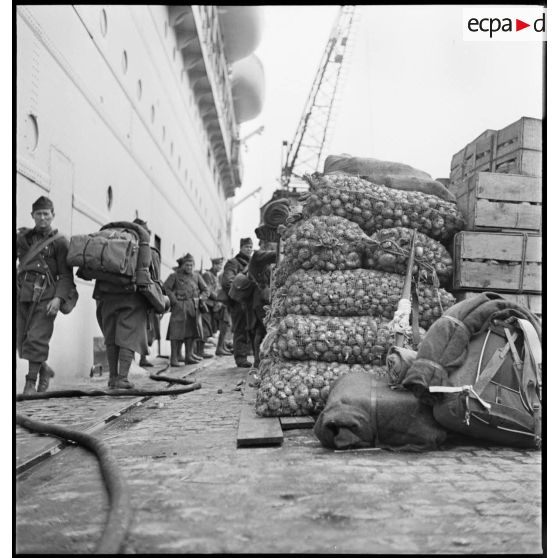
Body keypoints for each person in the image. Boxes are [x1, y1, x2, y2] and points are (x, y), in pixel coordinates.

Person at [16, 196, 75, 395]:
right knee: (20, 340)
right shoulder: (22, 239)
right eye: (38, 214)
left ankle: (30, 384)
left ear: (52, 216)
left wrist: (58, 299)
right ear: (32, 215)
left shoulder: (60, 242)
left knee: (37, 338)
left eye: (46, 214)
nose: (42, 218)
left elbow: (66, 275)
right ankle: (45, 370)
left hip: (47, 295)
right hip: (22, 293)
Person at [93, 220, 153, 389]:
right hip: (131, 297)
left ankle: (112, 377)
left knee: (111, 337)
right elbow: (148, 274)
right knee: (128, 337)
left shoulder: (111, 238)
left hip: (106, 294)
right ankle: (122, 378)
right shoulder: (143, 242)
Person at [164, 253, 209, 366]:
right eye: (187, 265)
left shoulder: (197, 276)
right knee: (176, 332)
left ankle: (189, 356)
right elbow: (166, 288)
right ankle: (174, 358)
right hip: (179, 306)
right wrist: (174, 301)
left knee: (192, 331)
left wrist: (201, 298)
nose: (189, 267)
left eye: (191, 265)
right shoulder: (174, 276)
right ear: (182, 265)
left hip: (193, 306)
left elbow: (205, 289)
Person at [132, 218, 160, 368]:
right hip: (142, 293)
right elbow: (155, 277)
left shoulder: (126, 246)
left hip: (139, 293)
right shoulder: (148, 251)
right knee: (140, 327)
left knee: (145, 328)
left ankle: (142, 358)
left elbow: (155, 275)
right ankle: (136, 360)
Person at [222, 237, 253, 368]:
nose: (249, 249)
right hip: (239, 302)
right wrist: (239, 297)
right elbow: (228, 282)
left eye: (251, 247)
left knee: (251, 329)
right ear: (241, 248)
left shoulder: (253, 262)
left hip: (251, 302)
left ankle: (248, 354)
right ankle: (240, 358)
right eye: (246, 247)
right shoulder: (233, 263)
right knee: (240, 329)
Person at [246, 249, 277, 368]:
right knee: (262, 329)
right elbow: (274, 254)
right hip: (261, 300)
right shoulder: (258, 257)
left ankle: (258, 360)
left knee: (260, 329)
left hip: (260, 300)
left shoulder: (260, 264)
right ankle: (259, 360)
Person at [202, 257, 232, 356]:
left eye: (221, 265)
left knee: (224, 322)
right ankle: (200, 351)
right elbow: (209, 291)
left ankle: (221, 346)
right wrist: (220, 299)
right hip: (206, 304)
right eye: (218, 265)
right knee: (205, 327)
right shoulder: (207, 275)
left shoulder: (216, 276)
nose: (220, 267)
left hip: (214, 305)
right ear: (213, 265)